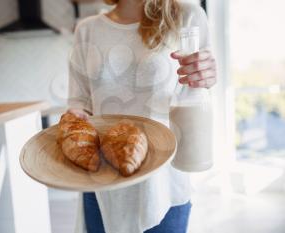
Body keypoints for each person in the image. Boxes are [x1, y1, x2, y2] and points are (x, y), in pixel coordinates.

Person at [66, 0, 217, 232]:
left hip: (163, 187)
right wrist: (74, 120)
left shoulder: (187, 16)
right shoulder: (87, 29)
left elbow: (197, 91)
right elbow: (80, 103)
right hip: (102, 187)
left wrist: (206, 75)